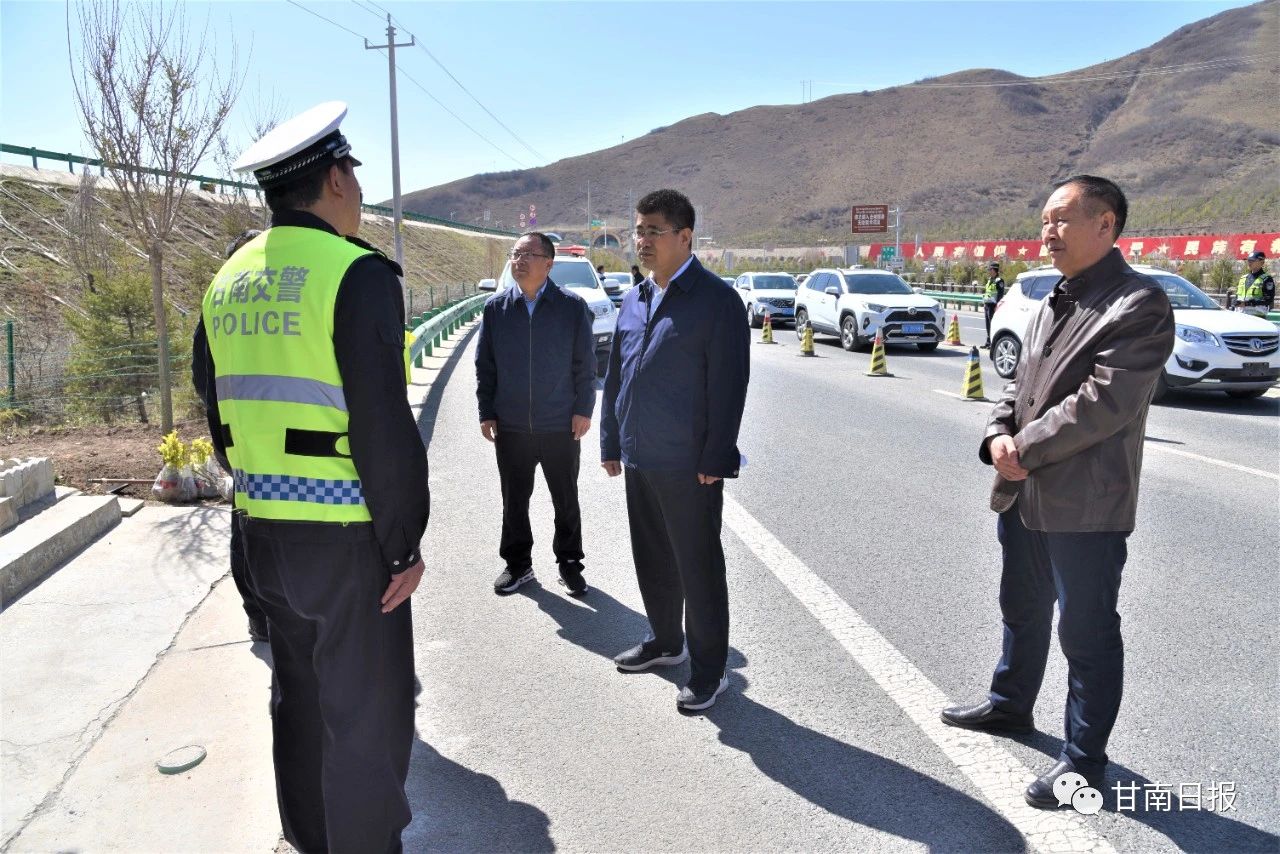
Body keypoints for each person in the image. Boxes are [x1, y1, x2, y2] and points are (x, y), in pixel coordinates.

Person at [192, 101, 429, 852]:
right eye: (353, 174)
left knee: (295, 700)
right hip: (347, 543)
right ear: (333, 179)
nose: (358, 189)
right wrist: (403, 543)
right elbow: (381, 426)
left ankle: (309, 839)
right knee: (365, 713)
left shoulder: (229, 278)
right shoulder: (353, 274)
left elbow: (213, 401)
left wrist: (258, 483)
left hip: (260, 533)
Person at [940, 175, 1174, 809]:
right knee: (1021, 604)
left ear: (1106, 225)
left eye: (1062, 219)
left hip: (1087, 504)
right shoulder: (1053, 299)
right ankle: (1010, 704)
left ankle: (1083, 761)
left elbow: (1102, 404)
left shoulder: (1139, 304)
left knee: (1086, 631)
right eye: (1044, 220)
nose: (1048, 232)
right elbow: (1019, 386)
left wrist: (1023, 447)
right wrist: (997, 433)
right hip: (1026, 490)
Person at [600, 189, 750, 713]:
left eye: (653, 231)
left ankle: (710, 670)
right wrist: (611, 439)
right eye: (638, 230)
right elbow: (617, 376)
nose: (642, 240)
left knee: (698, 567)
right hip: (639, 455)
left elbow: (729, 386)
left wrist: (716, 456)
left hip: (689, 465)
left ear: (685, 237)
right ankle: (666, 642)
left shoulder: (716, 301)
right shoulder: (635, 298)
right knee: (652, 558)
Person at [475, 231, 596, 596]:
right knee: (514, 500)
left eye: (528, 254)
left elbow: (585, 364)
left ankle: (569, 563)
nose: (520, 260)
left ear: (549, 263)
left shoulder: (571, 307)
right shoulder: (496, 309)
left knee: (565, 498)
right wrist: (486, 411)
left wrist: (583, 409)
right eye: (515, 254)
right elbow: (485, 366)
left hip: (560, 424)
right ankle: (518, 564)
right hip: (511, 425)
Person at [192, 228, 268, 643]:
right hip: (257, 443)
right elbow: (205, 379)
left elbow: (203, 380)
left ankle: (261, 615)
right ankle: (262, 613)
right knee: (255, 527)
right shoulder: (241, 306)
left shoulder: (219, 305)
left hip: (241, 442)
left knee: (249, 524)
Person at [1235, 250, 1275, 316]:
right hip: (1240, 316)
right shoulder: (1243, 278)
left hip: (1257, 317)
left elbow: (1268, 300)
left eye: (1252, 260)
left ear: (1261, 262)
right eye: (1248, 260)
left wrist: (1248, 303)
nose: (1249, 263)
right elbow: (1237, 297)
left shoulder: (1267, 279)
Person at [980, 261, 1005, 348]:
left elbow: (1000, 295)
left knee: (992, 325)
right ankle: (988, 342)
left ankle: (992, 344)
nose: (989, 271)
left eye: (990, 269)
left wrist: (997, 306)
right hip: (987, 305)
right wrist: (984, 303)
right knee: (987, 325)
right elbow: (988, 292)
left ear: (994, 270)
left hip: (993, 306)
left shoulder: (999, 281)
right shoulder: (989, 280)